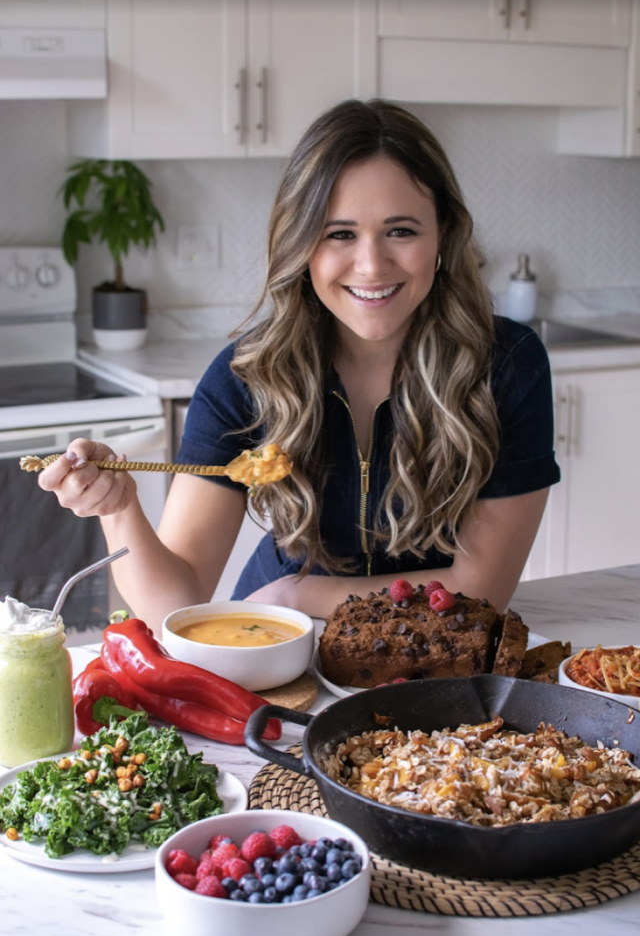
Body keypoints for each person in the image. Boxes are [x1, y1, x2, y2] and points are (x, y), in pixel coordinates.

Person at [39, 99, 560, 635]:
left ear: (443, 236)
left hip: (405, 641)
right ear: (302, 243)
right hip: (281, 646)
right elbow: (174, 602)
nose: (372, 264)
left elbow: (480, 592)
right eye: (340, 233)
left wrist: (300, 591)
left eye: (401, 231)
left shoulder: (507, 367)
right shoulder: (245, 377)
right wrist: (119, 508)